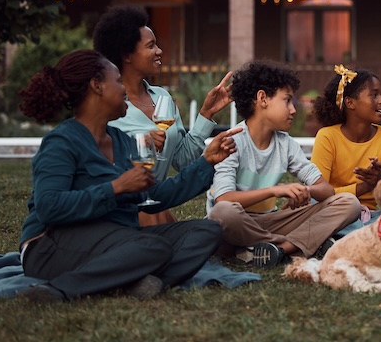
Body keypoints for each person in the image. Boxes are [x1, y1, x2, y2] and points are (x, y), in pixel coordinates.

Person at [15, 50, 238, 303]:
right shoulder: (61, 142)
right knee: (151, 247)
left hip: (117, 238)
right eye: (118, 81)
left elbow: (151, 197)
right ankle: (61, 290)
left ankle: (142, 283)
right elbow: (48, 208)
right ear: (97, 86)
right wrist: (115, 188)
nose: (124, 90)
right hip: (51, 245)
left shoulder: (121, 140)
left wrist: (207, 162)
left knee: (206, 231)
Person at [207, 61, 362, 268]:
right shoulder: (232, 141)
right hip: (236, 223)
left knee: (349, 203)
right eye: (287, 101)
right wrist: (275, 190)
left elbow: (326, 190)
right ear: (262, 99)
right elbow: (223, 199)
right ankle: (295, 246)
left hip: (273, 222)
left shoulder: (286, 144)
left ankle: (275, 251)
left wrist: (304, 190)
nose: (293, 110)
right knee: (223, 213)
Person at [93, 6, 233, 226]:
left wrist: (206, 114)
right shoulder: (108, 108)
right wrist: (140, 145)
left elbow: (181, 160)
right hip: (121, 208)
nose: (159, 51)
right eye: (151, 46)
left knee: (207, 233)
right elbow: (101, 167)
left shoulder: (162, 98)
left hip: (157, 202)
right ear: (127, 55)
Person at [311, 65, 381, 230]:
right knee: (318, 206)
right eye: (374, 95)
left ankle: (352, 236)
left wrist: (379, 182)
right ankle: (371, 236)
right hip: (335, 211)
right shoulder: (327, 136)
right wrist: (364, 187)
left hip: (372, 217)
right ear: (350, 102)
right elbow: (319, 194)